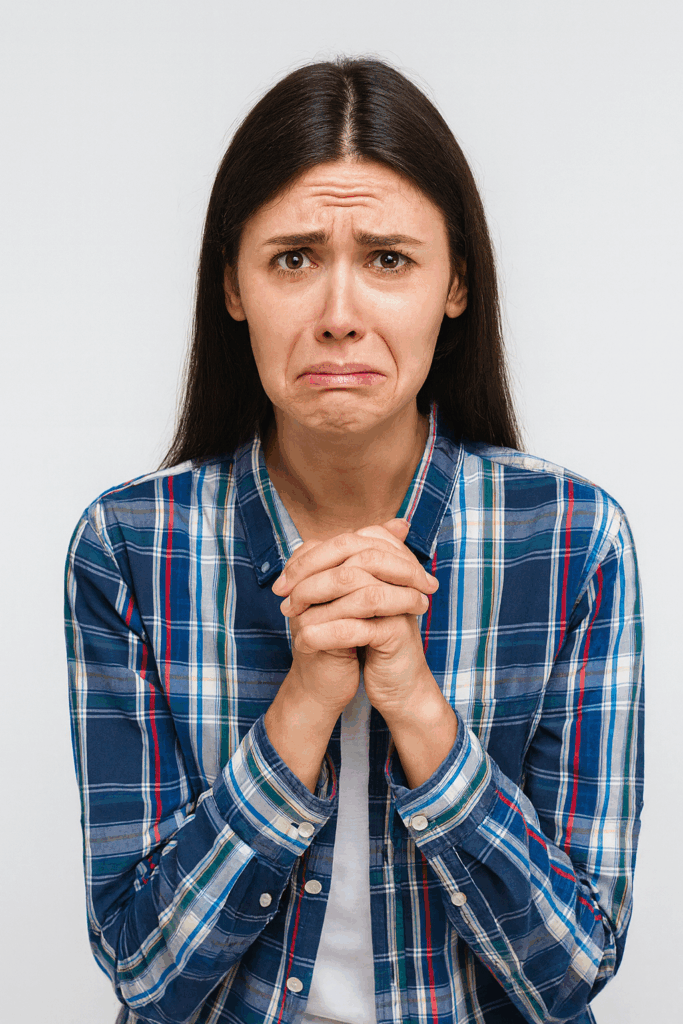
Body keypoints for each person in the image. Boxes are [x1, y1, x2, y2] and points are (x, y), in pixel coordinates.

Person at [64, 57, 644, 1024]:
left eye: (388, 259)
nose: (339, 317)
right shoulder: (129, 546)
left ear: (454, 283)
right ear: (234, 288)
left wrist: (415, 703)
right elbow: (145, 974)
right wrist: (304, 699)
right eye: (293, 258)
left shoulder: (573, 541)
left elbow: (570, 968)